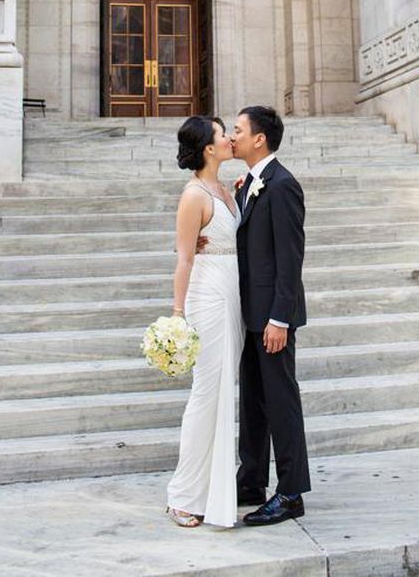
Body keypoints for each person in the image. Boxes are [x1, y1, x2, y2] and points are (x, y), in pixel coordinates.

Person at [232, 106, 311, 525]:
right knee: (254, 401)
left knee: (281, 402)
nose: (232, 136)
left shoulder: (282, 186)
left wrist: (280, 318)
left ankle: (292, 491)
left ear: (259, 138)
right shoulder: (250, 183)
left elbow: (289, 258)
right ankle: (251, 481)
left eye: (239, 130)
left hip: (272, 318)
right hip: (249, 315)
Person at [165, 116, 244, 529]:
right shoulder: (194, 195)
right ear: (209, 149)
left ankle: (213, 491)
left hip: (233, 294)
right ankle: (183, 494)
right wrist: (178, 314)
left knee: (222, 393)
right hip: (207, 294)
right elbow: (184, 257)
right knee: (206, 393)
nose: (230, 138)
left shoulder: (228, 190)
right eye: (222, 134)